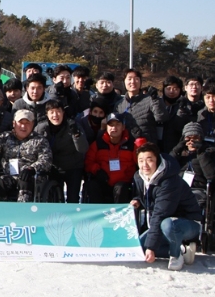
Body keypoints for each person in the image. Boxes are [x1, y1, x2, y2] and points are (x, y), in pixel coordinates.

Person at [131, 143, 203, 271]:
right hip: (162, 224)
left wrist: (152, 248)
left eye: (149, 160)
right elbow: (150, 198)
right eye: (141, 161)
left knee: (168, 224)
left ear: (157, 160)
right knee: (139, 249)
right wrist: (137, 200)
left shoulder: (169, 181)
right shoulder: (139, 176)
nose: (145, 165)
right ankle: (183, 250)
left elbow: (161, 213)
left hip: (186, 223)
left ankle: (175, 255)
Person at [0, 106, 52, 202]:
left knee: (24, 181)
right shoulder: (6, 137)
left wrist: (32, 168)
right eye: (20, 123)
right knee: (0, 182)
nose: (23, 126)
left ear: (32, 124)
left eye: (27, 123)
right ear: (14, 124)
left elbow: (46, 160)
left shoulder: (40, 140)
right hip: (9, 176)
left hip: (31, 177)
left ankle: (22, 210)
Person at [84, 113, 144, 204]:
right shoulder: (98, 144)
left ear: (123, 127)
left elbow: (140, 161)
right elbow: (88, 162)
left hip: (123, 184)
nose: (114, 128)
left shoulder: (131, 144)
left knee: (120, 188)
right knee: (92, 186)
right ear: (106, 127)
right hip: (103, 181)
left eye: (117, 125)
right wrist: (97, 170)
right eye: (111, 125)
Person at [37, 99, 88, 203]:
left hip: (73, 166)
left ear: (63, 112)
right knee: (55, 197)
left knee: (73, 198)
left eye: (58, 111)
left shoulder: (73, 125)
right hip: (54, 166)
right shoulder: (41, 128)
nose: (55, 115)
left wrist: (76, 134)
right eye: (52, 112)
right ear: (47, 114)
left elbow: (83, 149)